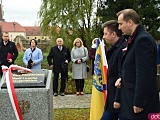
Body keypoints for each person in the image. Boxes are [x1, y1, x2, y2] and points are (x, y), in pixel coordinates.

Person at [115, 9, 159, 120]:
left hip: (141, 105)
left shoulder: (143, 40)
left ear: (130, 22)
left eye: (121, 24)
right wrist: (123, 78)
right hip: (129, 99)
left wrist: (139, 101)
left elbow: (144, 73)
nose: (119, 28)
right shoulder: (133, 39)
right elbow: (132, 67)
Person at [100, 20, 127, 120]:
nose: (104, 37)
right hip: (111, 99)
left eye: (105, 34)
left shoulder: (122, 49)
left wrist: (117, 99)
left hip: (118, 100)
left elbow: (121, 76)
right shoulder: (115, 49)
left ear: (113, 34)